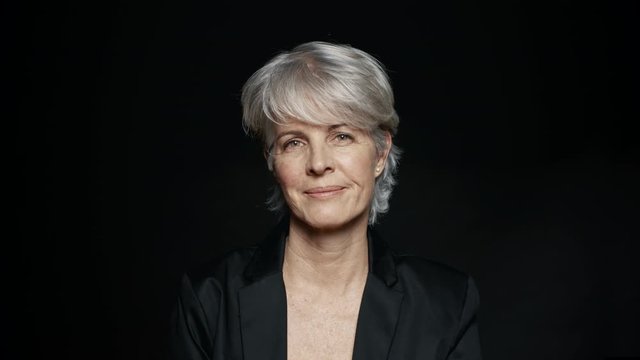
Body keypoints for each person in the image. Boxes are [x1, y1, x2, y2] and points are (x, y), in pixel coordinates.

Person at [169, 41, 482, 360]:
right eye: (294, 142)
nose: (318, 163)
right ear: (271, 160)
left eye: (342, 136)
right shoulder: (209, 298)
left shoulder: (446, 304)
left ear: (380, 153)